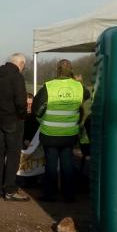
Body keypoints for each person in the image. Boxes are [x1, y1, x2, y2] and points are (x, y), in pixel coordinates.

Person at [31, 59, 90, 202]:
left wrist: (42, 119)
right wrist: (78, 82)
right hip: (69, 134)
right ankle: (69, 195)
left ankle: (50, 194)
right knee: (67, 164)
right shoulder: (79, 87)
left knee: (50, 164)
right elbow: (87, 96)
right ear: (71, 70)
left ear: (57, 70)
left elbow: (36, 109)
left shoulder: (48, 86)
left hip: (50, 133)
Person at [0, 53, 29, 201]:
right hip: (13, 120)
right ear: (20, 64)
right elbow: (21, 101)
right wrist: (22, 115)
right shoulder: (17, 77)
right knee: (13, 155)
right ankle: (9, 189)